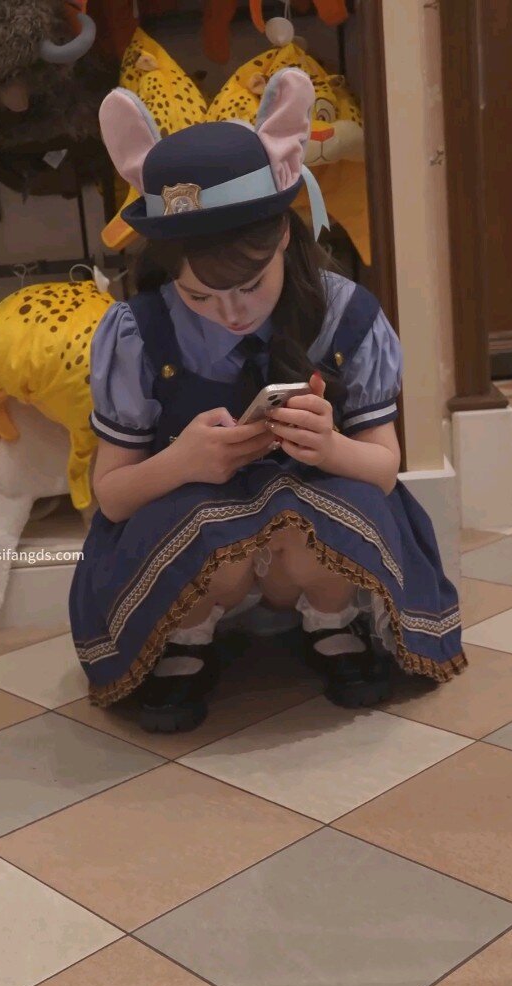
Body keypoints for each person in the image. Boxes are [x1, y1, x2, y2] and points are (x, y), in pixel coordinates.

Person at [69, 70, 466, 734]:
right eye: (198, 296)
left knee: (327, 512)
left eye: (250, 285)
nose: (231, 313)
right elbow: (110, 496)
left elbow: (381, 469)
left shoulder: (345, 314)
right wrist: (184, 462)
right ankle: (187, 637)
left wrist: (329, 447)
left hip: (306, 544)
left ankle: (330, 621)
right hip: (200, 539)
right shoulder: (138, 330)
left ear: (283, 235)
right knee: (201, 523)